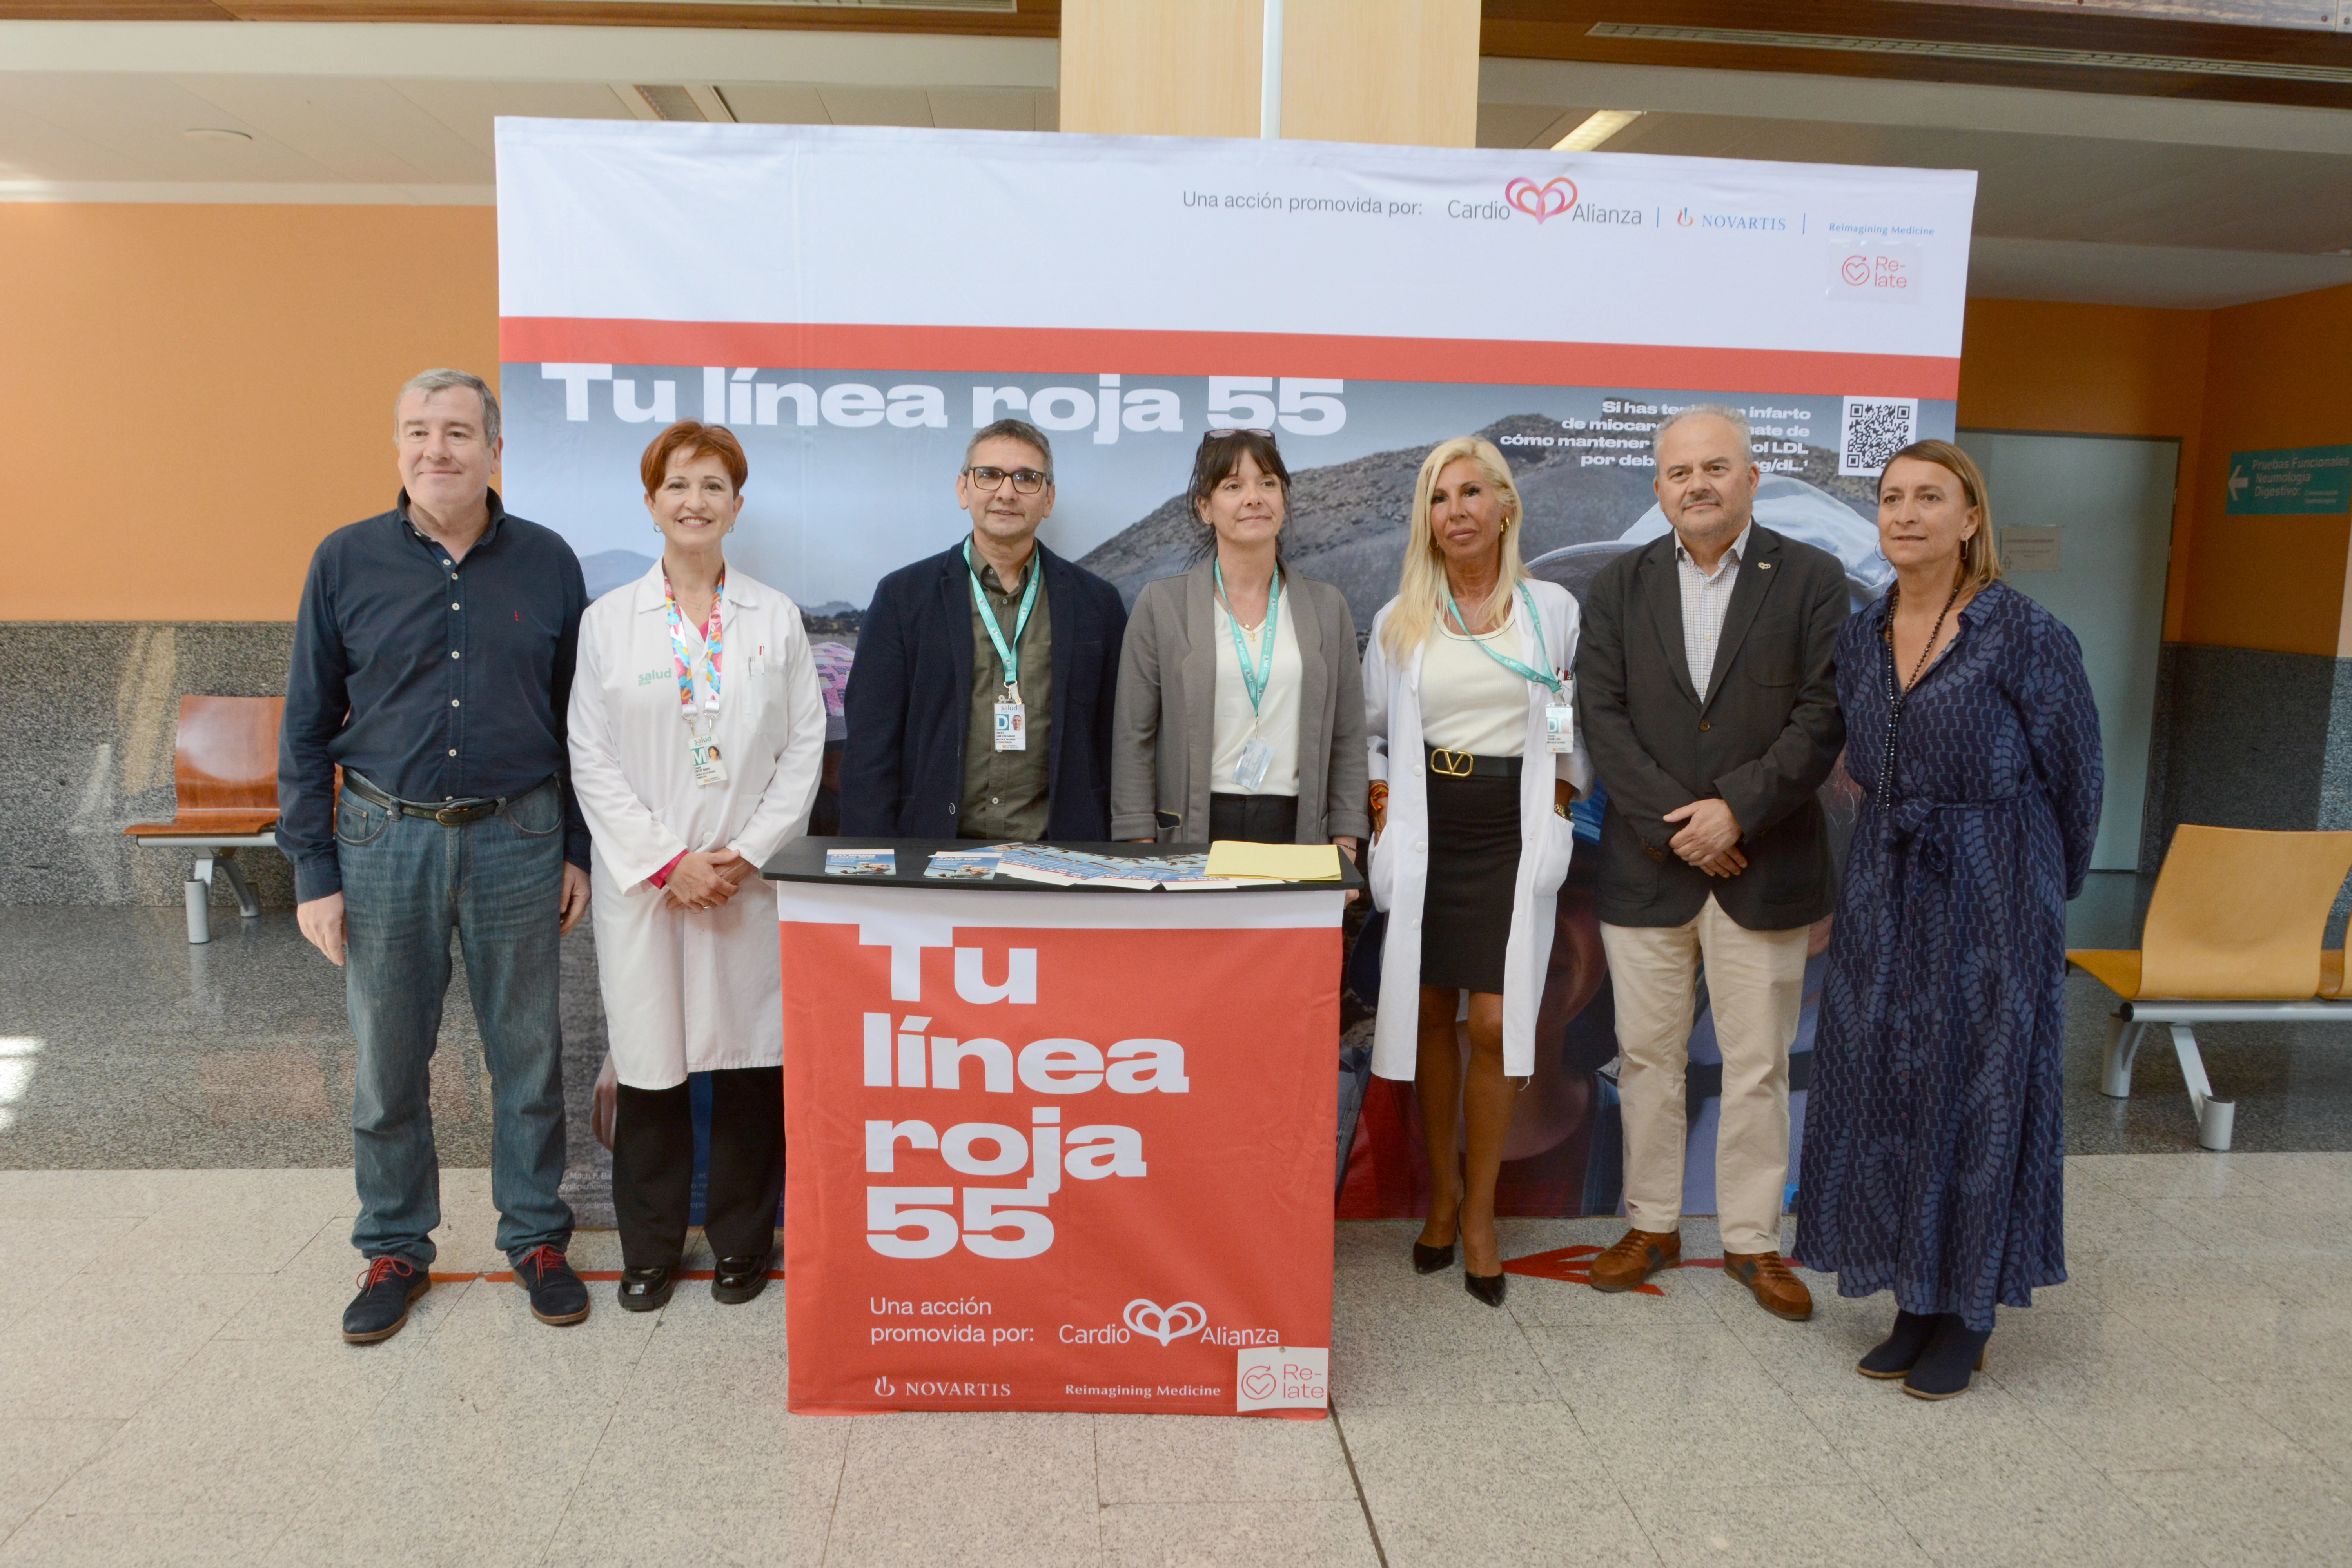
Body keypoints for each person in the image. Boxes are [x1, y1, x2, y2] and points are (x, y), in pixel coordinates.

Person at [280, 368, 594, 1343]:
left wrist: (576, 847)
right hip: (382, 839)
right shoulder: (343, 561)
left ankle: (537, 1236)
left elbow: (579, 718)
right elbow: (304, 726)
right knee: (386, 1062)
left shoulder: (547, 561)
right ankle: (394, 1246)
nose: (436, 450)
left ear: (494, 448)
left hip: (521, 835)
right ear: (398, 447)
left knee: (528, 1055)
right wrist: (314, 871)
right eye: (417, 431)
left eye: (457, 431)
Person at [1796, 441, 2100, 1398]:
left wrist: (2041, 899)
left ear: (1973, 519)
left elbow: (2078, 783)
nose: (1907, 513)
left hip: (1995, 890)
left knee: (1977, 1093)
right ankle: (1911, 1298)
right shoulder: (1860, 632)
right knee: (1890, 1088)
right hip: (1887, 888)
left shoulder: (2027, 636)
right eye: (1892, 498)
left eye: (1932, 497)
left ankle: (1965, 1310)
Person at [1573, 405, 1848, 1321]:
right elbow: (1601, 719)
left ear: (1749, 477)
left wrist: (1737, 813)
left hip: (1762, 866)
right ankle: (1650, 1224)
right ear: (1658, 488)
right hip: (1648, 871)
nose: (1696, 483)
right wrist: (1678, 825)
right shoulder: (1617, 586)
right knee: (1647, 1058)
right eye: (1679, 471)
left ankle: (1752, 1241)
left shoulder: (1811, 579)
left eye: (1714, 467)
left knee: (1756, 1063)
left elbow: (1821, 717)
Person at [567, 421, 826, 1311]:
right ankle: (649, 1249)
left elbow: (804, 751)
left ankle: (741, 1245)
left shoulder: (775, 617)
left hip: (746, 886)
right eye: (678, 485)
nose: (695, 501)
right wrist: (667, 863)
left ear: (737, 506)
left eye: (714, 486)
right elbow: (589, 758)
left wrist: (744, 856)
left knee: (752, 1065)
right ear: (650, 504)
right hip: (650, 890)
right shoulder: (608, 624)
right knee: (650, 1069)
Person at [1363, 437, 1592, 1308]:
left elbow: (1567, 729)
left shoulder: (1553, 611)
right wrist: (1384, 808)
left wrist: (1565, 805)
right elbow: (1378, 732)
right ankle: (1443, 1199)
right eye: (1438, 496)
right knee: (1426, 1008)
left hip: (1510, 830)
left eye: (1471, 492)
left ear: (1505, 506)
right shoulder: (1400, 619)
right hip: (1433, 828)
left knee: (1496, 1024)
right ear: (1426, 517)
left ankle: (1484, 1209)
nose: (1455, 510)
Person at [841, 418, 1128, 841]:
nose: (1007, 492)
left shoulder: (1096, 604)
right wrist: (873, 863)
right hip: (933, 855)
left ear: (1048, 498)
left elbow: (1114, 742)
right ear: (964, 489)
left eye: (1027, 478)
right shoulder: (903, 598)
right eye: (989, 475)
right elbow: (870, 746)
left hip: (1060, 858)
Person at [1111, 429, 1368, 851]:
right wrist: (1139, 846)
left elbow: (1349, 736)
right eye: (1233, 485)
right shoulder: (1162, 605)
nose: (1254, 497)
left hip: (1297, 833)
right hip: (1192, 831)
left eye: (1268, 483)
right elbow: (1134, 738)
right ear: (1205, 508)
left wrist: (1346, 842)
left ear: (1283, 500)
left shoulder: (1327, 607)